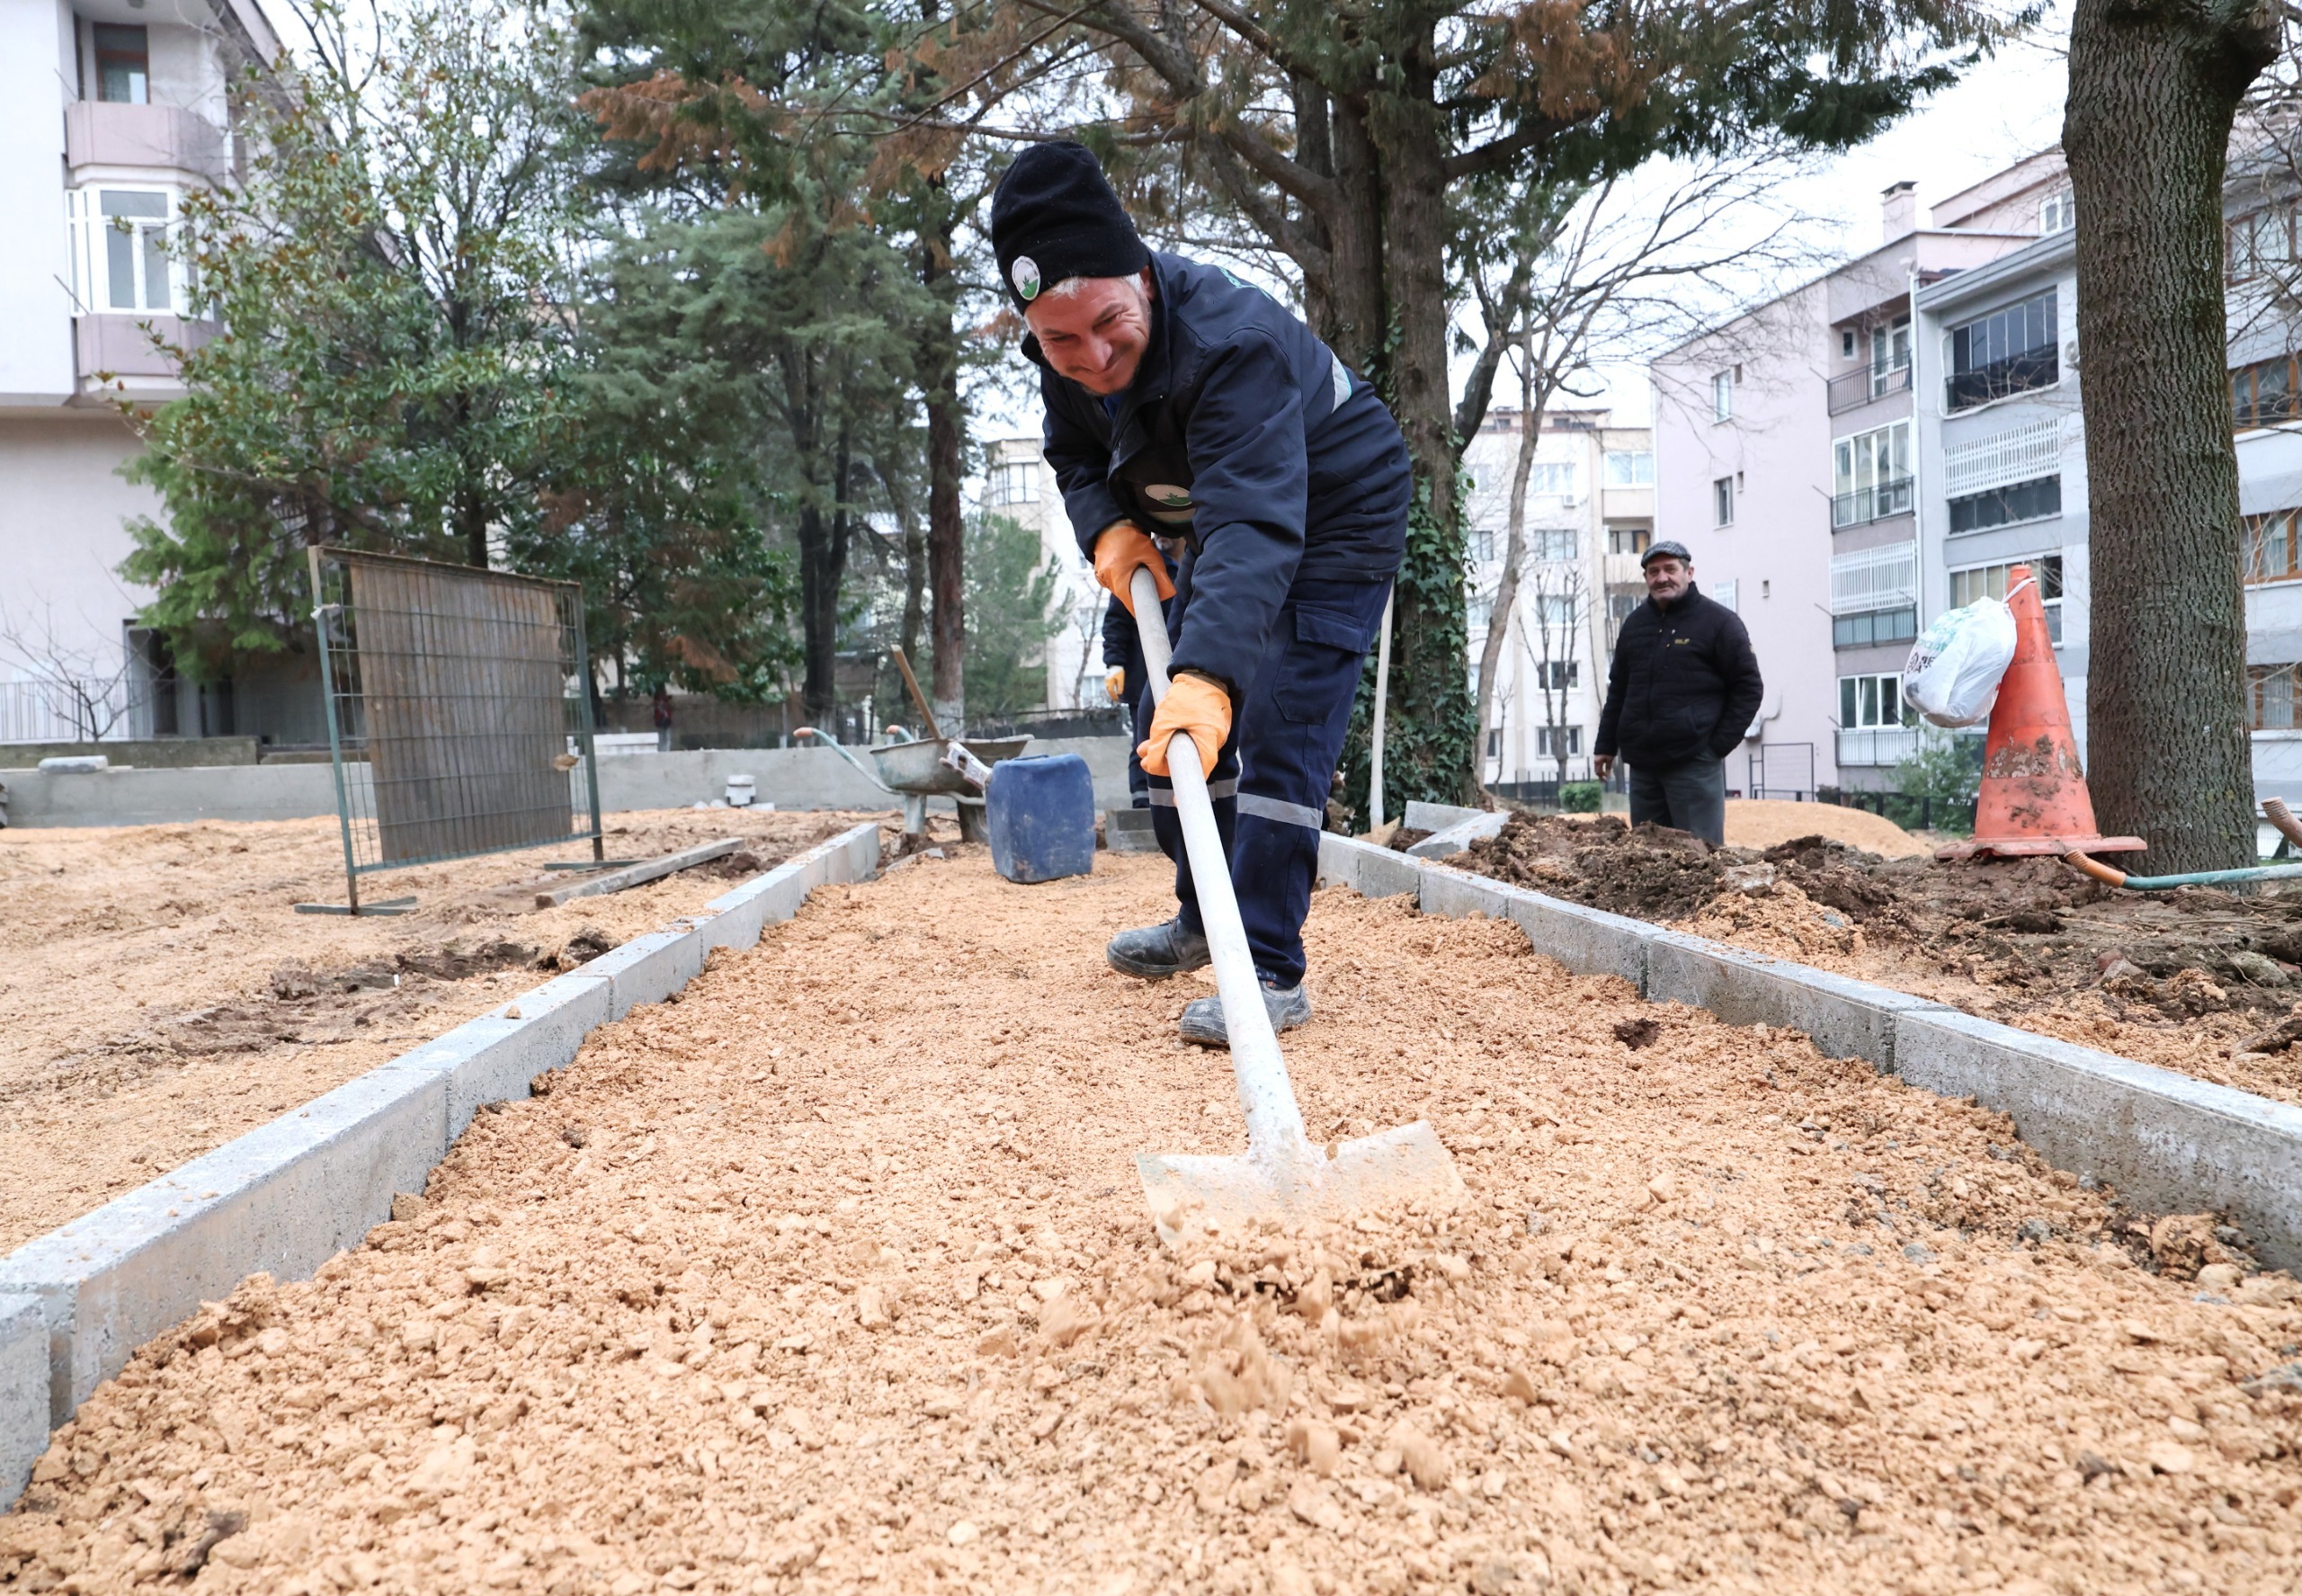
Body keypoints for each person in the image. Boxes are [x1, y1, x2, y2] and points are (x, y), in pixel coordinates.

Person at [991, 140, 1410, 1048]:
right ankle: (1204, 916)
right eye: (1060, 340)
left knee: (1278, 727)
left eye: (1108, 322)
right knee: (1162, 716)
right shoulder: (1063, 356)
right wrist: (1108, 528)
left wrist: (1213, 674)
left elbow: (1256, 526)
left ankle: (1265, 966)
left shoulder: (1231, 345)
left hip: (1338, 510)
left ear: (1141, 276)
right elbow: (1073, 456)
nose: (1093, 356)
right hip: (1225, 519)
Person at [1593, 540, 1763, 848]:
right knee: (1647, 857)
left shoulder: (1719, 623)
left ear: (1689, 572)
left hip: (1693, 764)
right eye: (1653, 571)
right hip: (1643, 766)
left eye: (1670, 569)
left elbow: (1749, 688)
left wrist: (1715, 748)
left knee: (1700, 856)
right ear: (1646, 578)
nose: (1662, 578)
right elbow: (1618, 688)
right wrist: (1606, 744)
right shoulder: (1634, 625)